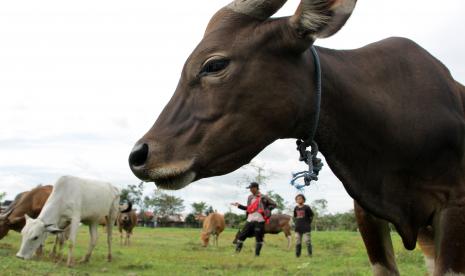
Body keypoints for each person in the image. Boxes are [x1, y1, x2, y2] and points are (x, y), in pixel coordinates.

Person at [231, 182, 277, 256]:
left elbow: (274, 204)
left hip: (260, 221)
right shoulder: (250, 197)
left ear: (256, 188)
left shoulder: (264, 197)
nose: (250, 190)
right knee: (241, 236)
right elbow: (248, 208)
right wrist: (239, 206)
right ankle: (236, 254)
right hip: (250, 220)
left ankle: (256, 256)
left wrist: (266, 210)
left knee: (259, 239)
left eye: (251, 188)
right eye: (250, 188)